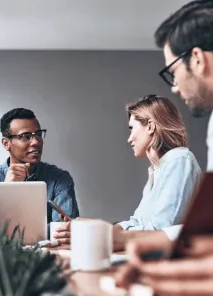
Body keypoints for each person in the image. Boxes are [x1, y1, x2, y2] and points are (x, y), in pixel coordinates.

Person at [116, 1, 213, 293]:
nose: (174, 86)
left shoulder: (179, 159)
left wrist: (120, 239)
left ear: (196, 59)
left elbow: (162, 226)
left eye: (172, 70)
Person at [54, 95, 201, 251]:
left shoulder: (179, 159)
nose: (129, 139)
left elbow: (161, 230)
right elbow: (137, 222)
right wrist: (94, 227)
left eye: (132, 128)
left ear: (150, 126)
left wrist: (101, 235)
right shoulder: (157, 169)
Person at [0, 108, 79, 223]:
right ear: (6, 143)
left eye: (38, 134)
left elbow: (64, 231)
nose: (36, 142)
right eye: (25, 136)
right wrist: (5, 192)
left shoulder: (59, 179)